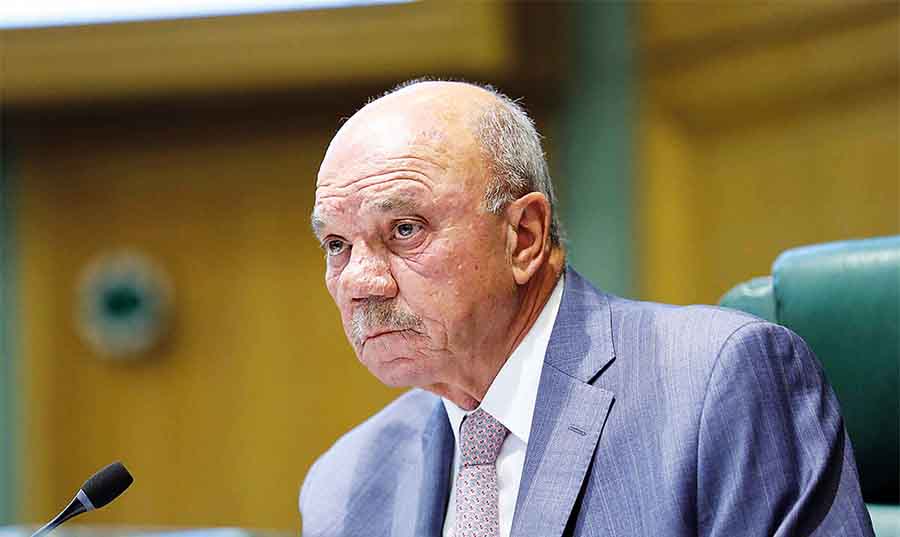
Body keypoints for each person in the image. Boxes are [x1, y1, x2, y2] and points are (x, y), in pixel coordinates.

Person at [300, 79, 874, 537]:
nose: (361, 282)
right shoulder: (345, 485)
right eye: (337, 245)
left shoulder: (716, 388)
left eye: (404, 229)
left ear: (524, 236)